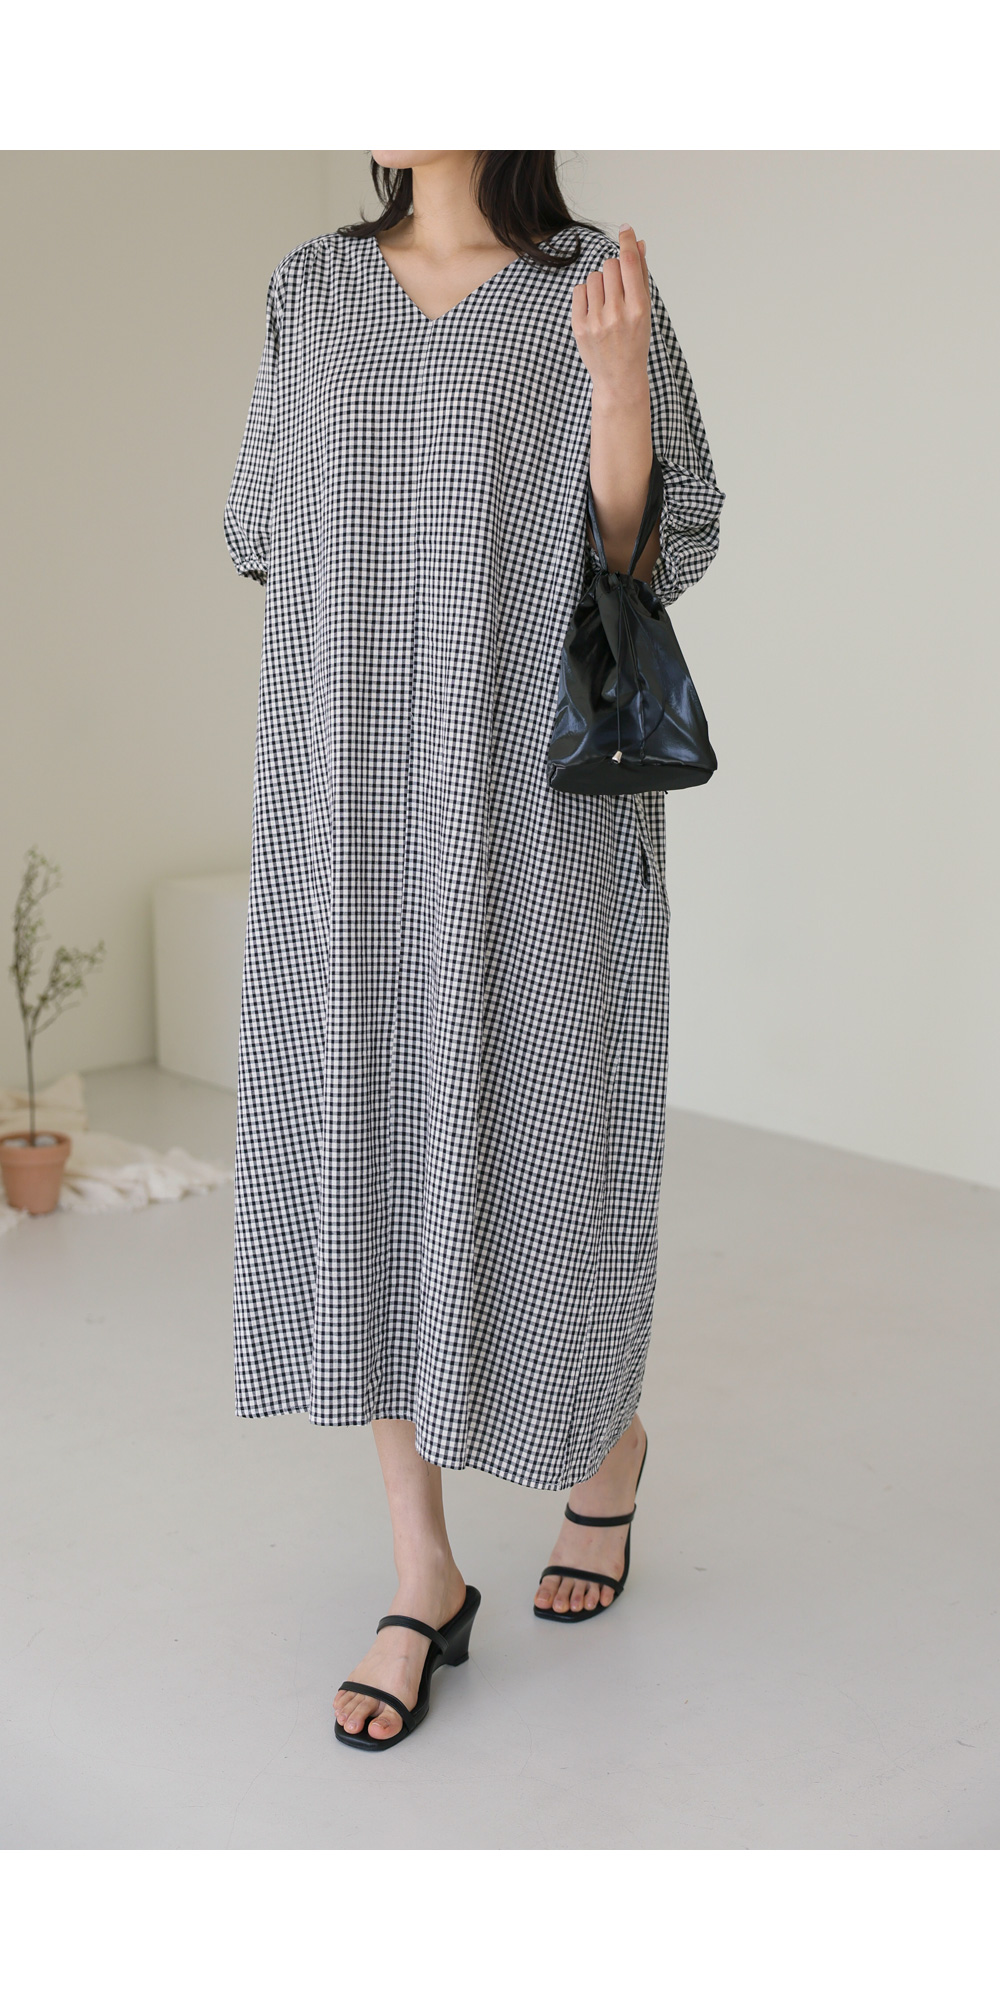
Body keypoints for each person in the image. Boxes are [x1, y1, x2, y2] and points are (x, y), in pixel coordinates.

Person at [224, 149, 725, 1749]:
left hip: (539, 800)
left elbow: (649, 557)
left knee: (557, 1138)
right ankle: (421, 1572)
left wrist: (616, 386)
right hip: (353, 801)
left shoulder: (592, 282)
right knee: (371, 1142)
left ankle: (604, 1445)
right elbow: (266, 530)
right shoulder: (312, 290)